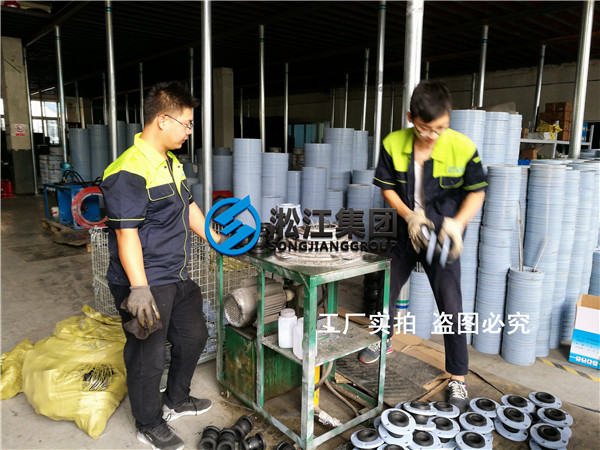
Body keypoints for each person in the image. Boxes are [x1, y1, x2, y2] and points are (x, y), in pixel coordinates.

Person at [100, 81, 222, 450]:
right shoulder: (128, 170)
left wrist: (218, 239)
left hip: (176, 273)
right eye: (186, 124)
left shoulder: (170, 163)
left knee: (193, 337)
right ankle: (148, 423)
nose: (189, 131)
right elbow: (126, 234)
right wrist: (139, 289)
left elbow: (189, 208)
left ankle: (176, 399)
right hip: (145, 280)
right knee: (147, 356)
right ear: (162, 121)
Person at [358, 81, 487, 413]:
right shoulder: (393, 143)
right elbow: (387, 188)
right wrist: (409, 216)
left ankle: (458, 376)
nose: (432, 135)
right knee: (385, 289)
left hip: (443, 235)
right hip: (404, 231)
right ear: (410, 118)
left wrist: (457, 224)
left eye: (440, 128)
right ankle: (383, 340)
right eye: (425, 128)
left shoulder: (462, 147)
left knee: (451, 305)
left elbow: (476, 191)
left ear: (448, 118)